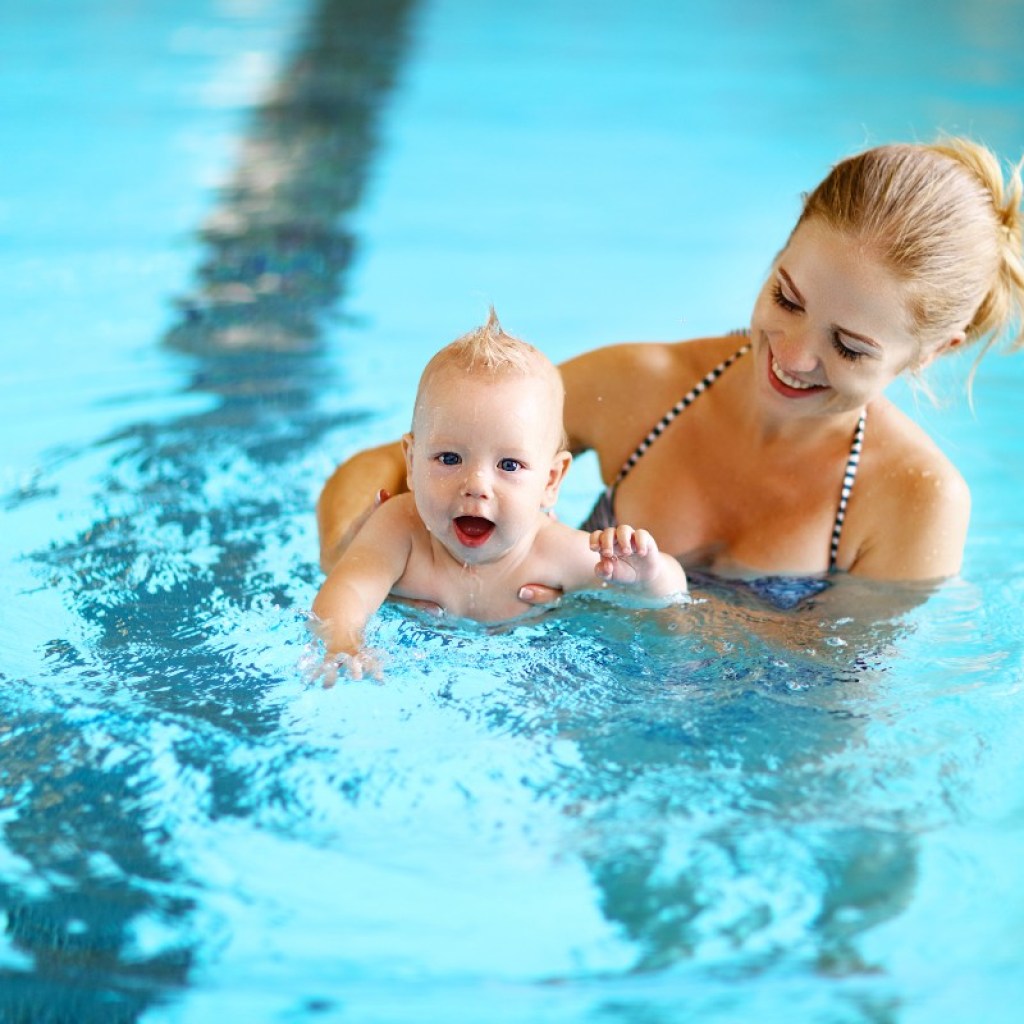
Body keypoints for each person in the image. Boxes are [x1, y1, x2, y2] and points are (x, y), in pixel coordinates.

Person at [318, 137, 1024, 602]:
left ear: (935, 351)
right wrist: (362, 571)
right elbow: (378, 470)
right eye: (786, 297)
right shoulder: (643, 388)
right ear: (785, 241)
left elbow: (841, 701)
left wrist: (654, 608)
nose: (794, 355)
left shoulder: (914, 499)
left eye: (850, 347)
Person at [311, 311, 688, 680]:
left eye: (509, 465)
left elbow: (671, 595)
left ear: (551, 481)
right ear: (411, 462)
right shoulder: (400, 528)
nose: (476, 485)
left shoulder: (554, 551)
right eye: (449, 458)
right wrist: (343, 641)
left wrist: (647, 578)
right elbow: (346, 592)